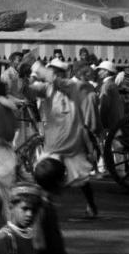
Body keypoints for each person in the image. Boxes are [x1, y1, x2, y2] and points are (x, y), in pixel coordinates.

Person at [30, 59, 99, 216]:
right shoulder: (49, 88)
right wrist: (29, 81)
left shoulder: (72, 86)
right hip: (55, 140)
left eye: (54, 71)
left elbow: (53, 80)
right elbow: (31, 90)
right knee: (42, 173)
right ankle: (40, 205)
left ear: (61, 73)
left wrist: (36, 66)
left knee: (81, 177)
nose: (52, 73)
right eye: (51, 70)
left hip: (71, 140)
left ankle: (91, 206)